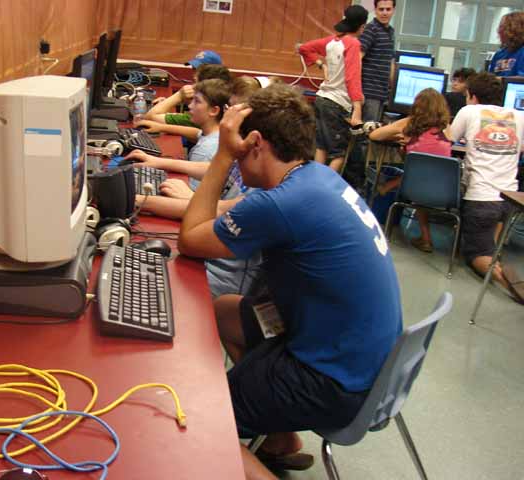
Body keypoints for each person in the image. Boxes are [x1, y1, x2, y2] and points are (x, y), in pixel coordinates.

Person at [178, 84, 403, 479]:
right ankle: (281, 439)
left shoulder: (280, 204)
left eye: (239, 149)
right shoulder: (316, 177)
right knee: (228, 312)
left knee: (197, 419)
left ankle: (243, 432)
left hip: (333, 381)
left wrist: (223, 156)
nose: (236, 160)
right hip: (368, 366)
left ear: (255, 144)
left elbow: (190, 239)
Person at [130, 77, 264, 298]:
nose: (226, 119)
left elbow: (198, 233)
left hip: (215, 278)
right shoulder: (248, 156)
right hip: (205, 261)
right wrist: (158, 163)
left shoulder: (265, 186)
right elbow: (217, 171)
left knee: (136, 281)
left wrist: (136, 200)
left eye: (232, 112)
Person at [450, 72, 524, 302]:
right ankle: (495, 257)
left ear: (472, 96)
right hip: (509, 199)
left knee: (476, 254)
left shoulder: (469, 111)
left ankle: (507, 281)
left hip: (481, 197)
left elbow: (448, 138)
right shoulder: (519, 116)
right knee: (489, 245)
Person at [369, 88, 452, 253]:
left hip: (415, 187)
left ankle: (386, 188)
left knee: (418, 178)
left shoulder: (409, 123)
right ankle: (426, 239)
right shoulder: (446, 127)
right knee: (424, 175)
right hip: (444, 189)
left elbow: (375, 135)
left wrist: (399, 138)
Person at [298, 5, 368, 172]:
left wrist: (321, 64)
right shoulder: (353, 44)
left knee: (321, 147)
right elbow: (352, 77)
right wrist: (357, 108)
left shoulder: (332, 41)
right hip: (337, 103)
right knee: (339, 154)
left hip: (322, 99)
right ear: (362, 26)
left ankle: (315, 183)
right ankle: (325, 186)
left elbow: (303, 48)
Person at [142, 63, 232, 141]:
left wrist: (178, 96)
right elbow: (197, 133)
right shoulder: (224, 111)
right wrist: (168, 102)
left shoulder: (200, 116)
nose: (191, 86)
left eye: (195, 82)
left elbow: (149, 117)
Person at [360, 0, 396, 123]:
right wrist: (357, 91)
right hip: (368, 92)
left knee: (374, 131)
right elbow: (357, 59)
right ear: (375, 10)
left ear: (393, 10)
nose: (384, 13)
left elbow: (390, 61)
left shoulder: (390, 31)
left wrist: (392, 88)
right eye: (381, 9)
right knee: (367, 131)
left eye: (388, 9)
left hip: (382, 93)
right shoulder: (371, 29)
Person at [489, 11, 524, 77]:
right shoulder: (499, 54)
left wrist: (501, 80)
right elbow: (490, 78)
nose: (498, 31)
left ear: (515, 30)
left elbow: (521, 79)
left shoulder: (522, 52)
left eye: (502, 27)